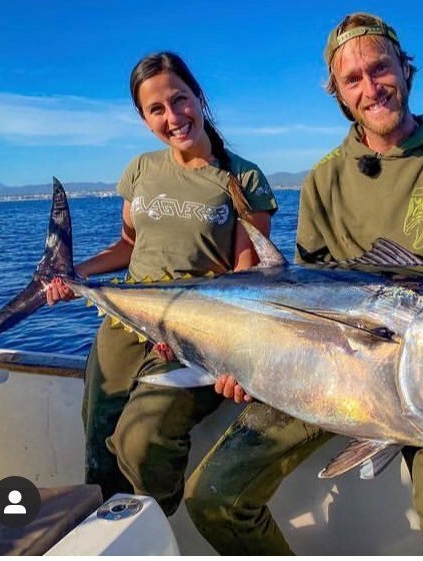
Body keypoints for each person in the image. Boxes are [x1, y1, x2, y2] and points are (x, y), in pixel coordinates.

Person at [188, 13, 423, 555]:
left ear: (405, 71)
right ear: (340, 96)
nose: (372, 88)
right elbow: (296, 305)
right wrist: (245, 362)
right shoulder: (323, 178)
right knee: (212, 495)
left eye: (380, 69)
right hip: (325, 377)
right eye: (354, 80)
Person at [45, 51, 277, 515]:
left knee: (142, 442)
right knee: (98, 441)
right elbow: (128, 246)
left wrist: (211, 340)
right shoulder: (141, 171)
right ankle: (114, 534)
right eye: (157, 109)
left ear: (199, 97)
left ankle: (156, 524)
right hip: (124, 325)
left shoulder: (242, 177)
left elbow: (244, 280)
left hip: (192, 332)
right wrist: (75, 275)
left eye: (180, 100)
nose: (173, 117)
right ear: (143, 117)